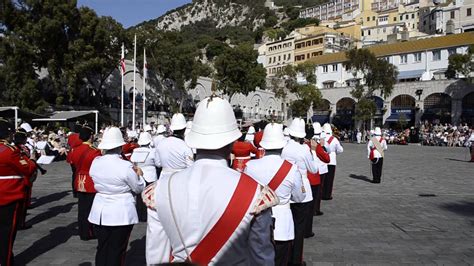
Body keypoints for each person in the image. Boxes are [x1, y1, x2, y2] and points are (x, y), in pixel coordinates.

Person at [143, 96, 277, 265]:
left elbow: (156, 256)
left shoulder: (160, 189)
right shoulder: (255, 193)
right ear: (232, 141)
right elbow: (262, 258)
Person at [245, 123, 305, 266]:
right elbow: (299, 197)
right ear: (283, 145)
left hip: (256, 224)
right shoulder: (292, 169)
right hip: (283, 225)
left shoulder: (250, 166)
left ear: (263, 145)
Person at [88, 127, 145, 266]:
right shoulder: (125, 166)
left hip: (100, 210)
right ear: (120, 146)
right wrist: (140, 175)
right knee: (117, 250)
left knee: (102, 248)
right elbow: (138, 188)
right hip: (120, 212)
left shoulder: (96, 162)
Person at [146, 113, 194, 265]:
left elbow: (158, 163)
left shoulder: (162, 144)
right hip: (180, 184)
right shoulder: (185, 146)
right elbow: (190, 167)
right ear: (184, 128)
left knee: (156, 231)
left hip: (162, 183)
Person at [0, 118, 37, 266]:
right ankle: (6, 261)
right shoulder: (10, 151)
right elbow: (27, 168)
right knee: (7, 233)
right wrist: (33, 161)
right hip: (9, 194)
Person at [282, 118, 318, 266]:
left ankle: (285, 257)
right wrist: (313, 151)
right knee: (299, 227)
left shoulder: (284, 147)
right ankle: (295, 260)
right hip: (302, 189)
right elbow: (313, 169)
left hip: (285, 187)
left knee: (286, 226)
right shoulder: (304, 149)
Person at [68, 125, 101, 240]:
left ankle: (83, 231)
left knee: (82, 208)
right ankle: (89, 231)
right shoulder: (94, 151)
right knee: (91, 208)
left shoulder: (74, 149)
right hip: (90, 181)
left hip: (79, 179)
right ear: (90, 136)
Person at [132, 132, 160, 222]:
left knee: (140, 197)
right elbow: (158, 163)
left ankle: (140, 215)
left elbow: (133, 162)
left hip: (139, 174)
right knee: (150, 196)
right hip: (151, 175)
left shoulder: (135, 151)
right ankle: (149, 215)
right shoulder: (153, 151)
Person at [308, 123, 330, 220]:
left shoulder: (307, 142)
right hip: (320, 169)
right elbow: (326, 155)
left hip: (310, 170)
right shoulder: (319, 142)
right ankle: (315, 209)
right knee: (318, 192)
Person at [322, 123, 344, 200]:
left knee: (323, 179)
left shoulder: (321, 139)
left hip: (323, 160)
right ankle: (327, 195)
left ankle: (321, 194)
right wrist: (334, 153)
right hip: (332, 161)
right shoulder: (334, 139)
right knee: (330, 179)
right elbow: (340, 150)